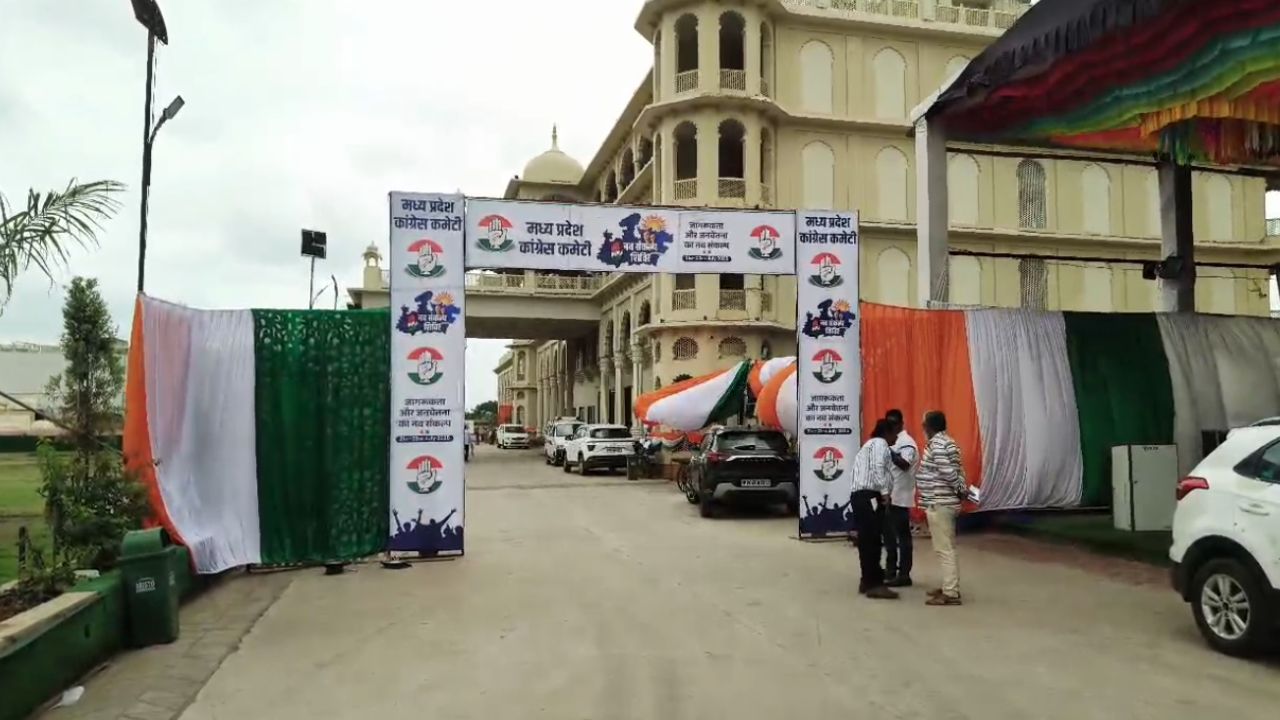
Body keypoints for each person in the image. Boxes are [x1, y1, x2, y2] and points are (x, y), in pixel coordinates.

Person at [916, 410, 967, 606]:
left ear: (928, 426)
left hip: (940, 502)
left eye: (923, 424)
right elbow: (957, 470)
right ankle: (948, 585)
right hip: (943, 501)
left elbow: (947, 471)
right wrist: (960, 488)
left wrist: (960, 489)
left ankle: (951, 592)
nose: (922, 427)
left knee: (945, 548)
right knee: (945, 547)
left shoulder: (937, 444)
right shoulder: (948, 442)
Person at [849, 419, 899, 600]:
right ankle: (874, 585)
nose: (896, 438)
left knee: (867, 540)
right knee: (872, 541)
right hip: (869, 496)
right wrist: (885, 492)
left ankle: (867, 580)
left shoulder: (868, 446)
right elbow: (878, 468)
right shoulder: (880, 444)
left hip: (861, 496)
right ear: (888, 432)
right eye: (895, 433)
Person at [883, 409, 918, 588]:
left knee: (902, 537)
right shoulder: (890, 440)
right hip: (888, 495)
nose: (891, 426)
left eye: (894, 423)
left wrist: (887, 451)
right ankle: (890, 570)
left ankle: (904, 574)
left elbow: (905, 464)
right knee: (889, 537)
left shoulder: (906, 442)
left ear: (901, 424)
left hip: (900, 497)